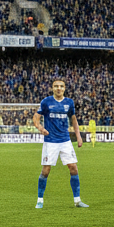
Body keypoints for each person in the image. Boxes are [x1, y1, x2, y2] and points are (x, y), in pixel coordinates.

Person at [33, 78, 86, 208]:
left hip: (65, 140)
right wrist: (41, 128)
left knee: (73, 167)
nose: (58, 88)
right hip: (50, 142)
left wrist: (78, 136)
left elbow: (73, 120)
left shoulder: (69, 102)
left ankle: (77, 200)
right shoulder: (46, 102)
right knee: (46, 170)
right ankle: (40, 200)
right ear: (52, 88)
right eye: (56, 86)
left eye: (61, 86)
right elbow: (36, 117)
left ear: (64, 88)